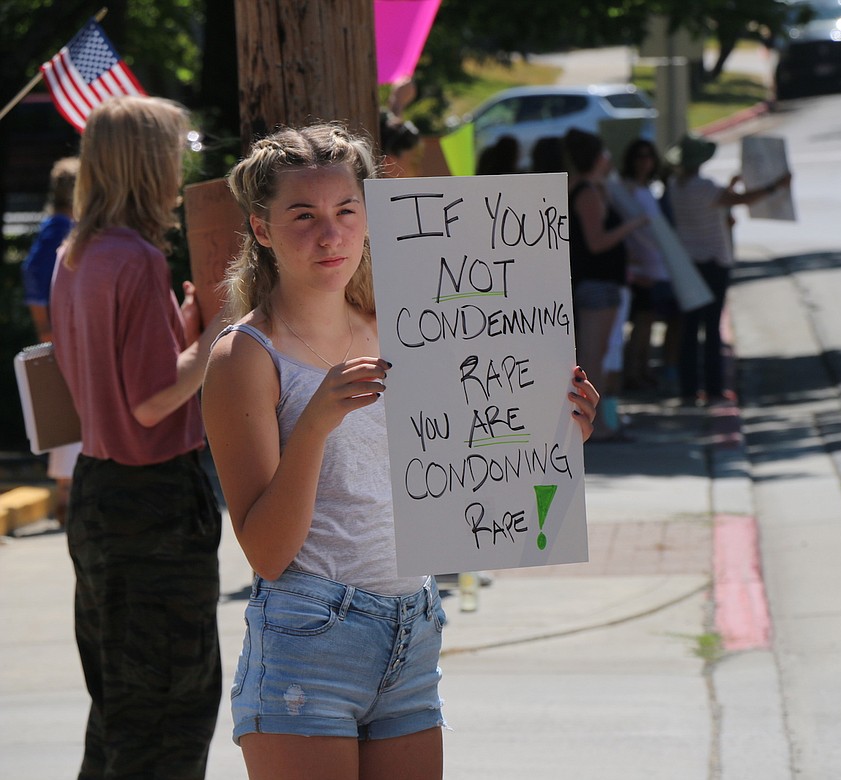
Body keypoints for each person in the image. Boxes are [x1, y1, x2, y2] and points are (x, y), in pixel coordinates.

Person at [202, 122, 599, 780]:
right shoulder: (246, 356)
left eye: (346, 211)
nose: (330, 235)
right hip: (309, 638)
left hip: (413, 624)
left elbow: (473, 470)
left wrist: (552, 439)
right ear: (263, 229)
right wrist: (314, 426)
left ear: (371, 216)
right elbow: (266, 552)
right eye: (303, 216)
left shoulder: (411, 326)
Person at [49, 95, 225, 779]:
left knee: (121, 709)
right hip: (153, 499)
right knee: (171, 710)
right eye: (175, 151)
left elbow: (118, 380)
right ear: (148, 163)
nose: (181, 165)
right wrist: (218, 336)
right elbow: (152, 401)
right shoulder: (135, 257)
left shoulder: (79, 252)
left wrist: (182, 334)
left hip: (99, 490)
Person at [664, 133, 791, 406]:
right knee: (711, 329)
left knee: (689, 328)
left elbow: (719, 201)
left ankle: (688, 389)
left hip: (689, 263)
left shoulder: (675, 185)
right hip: (712, 262)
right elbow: (740, 201)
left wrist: (732, 186)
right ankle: (713, 389)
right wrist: (774, 187)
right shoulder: (704, 186)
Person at [564, 128, 647, 441]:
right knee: (591, 358)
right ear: (598, 157)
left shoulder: (594, 188)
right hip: (596, 285)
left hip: (602, 283)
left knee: (596, 356)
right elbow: (597, 242)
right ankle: (592, 428)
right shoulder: (586, 191)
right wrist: (631, 225)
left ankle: (597, 424)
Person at [21, 155, 81, 524]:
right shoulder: (61, 229)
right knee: (69, 423)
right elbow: (35, 277)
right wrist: (45, 326)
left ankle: (67, 499)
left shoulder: (57, 226)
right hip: (65, 341)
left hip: (64, 337)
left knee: (67, 425)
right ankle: (67, 501)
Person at [617, 139, 679, 394]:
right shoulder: (627, 189)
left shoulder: (647, 188)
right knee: (641, 325)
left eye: (648, 156)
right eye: (639, 156)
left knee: (648, 322)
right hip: (639, 267)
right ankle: (633, 373)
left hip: (655, 265)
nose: (644, 161)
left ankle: (642, 370)